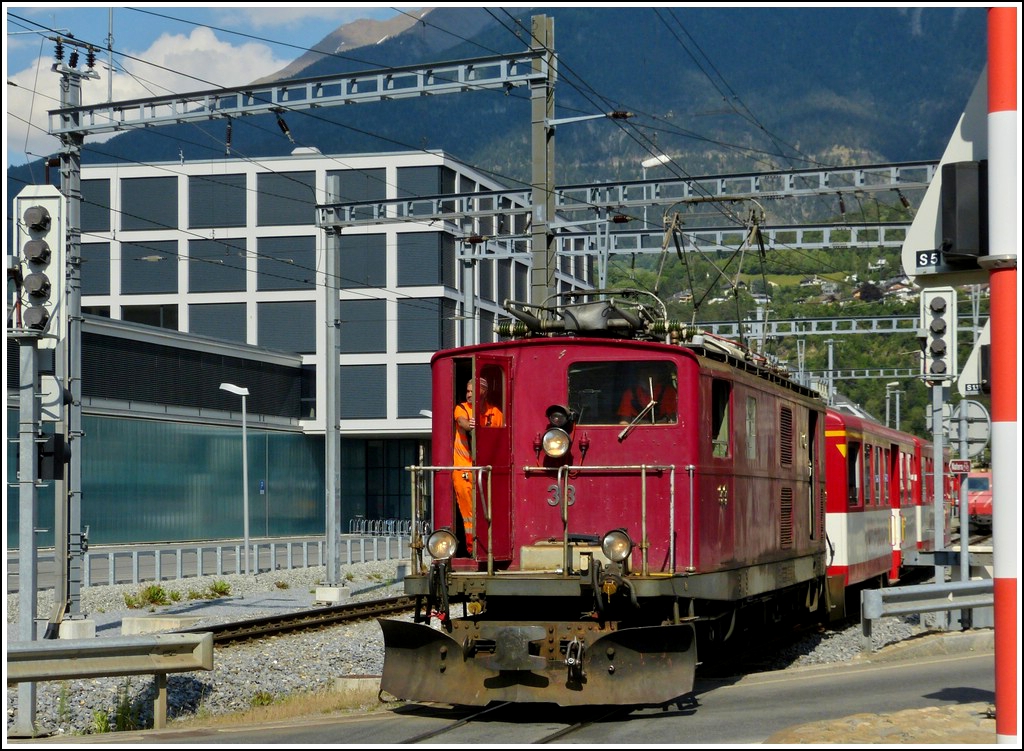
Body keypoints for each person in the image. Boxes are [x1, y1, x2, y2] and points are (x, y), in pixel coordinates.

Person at [452, 377, 504, 555]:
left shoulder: (496, 413)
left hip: (487, 470)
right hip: (464, 469)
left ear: (484, 391)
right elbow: (461, 421)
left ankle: (491, 548)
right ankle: (472, 549)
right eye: (467, 391)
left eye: (472, 391)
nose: (468, 395)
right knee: (469, 516)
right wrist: (470, 425)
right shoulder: (462, 408)